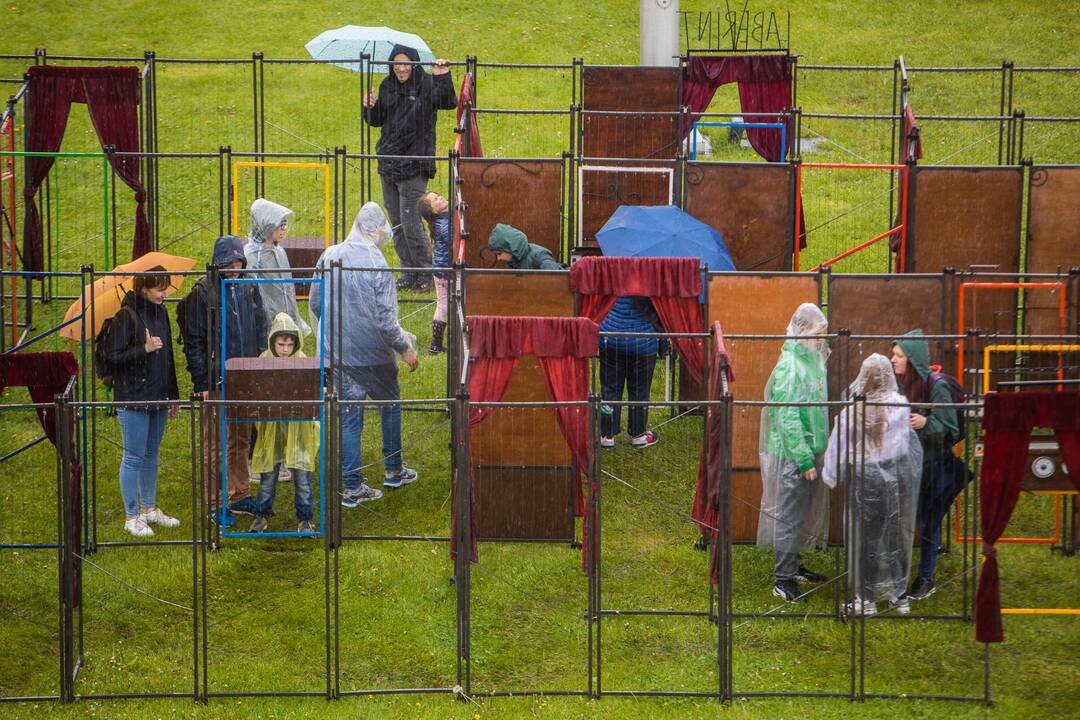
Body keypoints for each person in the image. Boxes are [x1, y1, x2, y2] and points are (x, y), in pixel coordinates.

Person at [310, 202, 420, 507]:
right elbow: (387, 321)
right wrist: (405, 349)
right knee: (390, 406)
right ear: (373, 229)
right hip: (376, 356)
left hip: (340, 353)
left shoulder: (330, 254)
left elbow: (317, 304)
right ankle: (394, 469)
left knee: (349, 418)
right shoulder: (378, 263)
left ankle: (352, 486)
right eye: (383, 228)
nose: (385, 234)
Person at [823, 354, 922, 616]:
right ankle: (899, 597)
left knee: (864, 540)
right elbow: (905, 445)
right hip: (895, 477)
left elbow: (837, 448)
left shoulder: (852, 412)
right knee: (895, 535)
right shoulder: (900, 404)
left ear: (862, 378)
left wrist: (830, 475)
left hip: (865, 480)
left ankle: (865, 600)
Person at [181, 235, 268, 528]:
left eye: (238, 262)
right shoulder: (203, 294)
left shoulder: (248, 286)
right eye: (228, 263)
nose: (234, 268)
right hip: (216, 380)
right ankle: (214, 502)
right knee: (214, 444)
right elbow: (194, 342)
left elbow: (260, 326)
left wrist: (256, 366)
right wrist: (202, 382)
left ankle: (240, 493)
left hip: (245, 376)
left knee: (241, 438)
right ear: (217, 263)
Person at [362, 45, 456, 293]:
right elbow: (378, 120)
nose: (401, 68)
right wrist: (370, 107)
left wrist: (443, 76)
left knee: (411, 219)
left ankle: (426, 273)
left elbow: (447, 102)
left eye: (406, 64)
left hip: (415, 162)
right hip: (388, 161)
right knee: (395, 221)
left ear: (415, 64)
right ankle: (408, 271)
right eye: (396, 63)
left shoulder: (426, 83)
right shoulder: (387, 85)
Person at [758, 302, 831, 602]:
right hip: (791, 456)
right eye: (816, 334)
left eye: (823, 335)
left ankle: (794, 564)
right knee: (789, 517)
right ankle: (783, 579)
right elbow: (787, 417)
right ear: (800, 331)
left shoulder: (811, 360)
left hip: (809, 451)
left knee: (800, 514)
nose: (820, 341)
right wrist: (802, 459)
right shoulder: (790, 367)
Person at [103, 268, 181, 537]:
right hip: (133, 397)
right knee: (134, 456)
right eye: (159, 289)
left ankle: (149, 509)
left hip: (158, 395)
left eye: (166, 287)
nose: (164, 294)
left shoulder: (161, 312)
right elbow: (111, 356)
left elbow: (168, 356)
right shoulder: (126, 316)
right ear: (144, 288)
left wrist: (173, 396)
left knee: (151, 454)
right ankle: (131, 516)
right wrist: (143, 349)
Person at [891, 329, 963, 602]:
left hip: (932, 463)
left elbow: (951, 429)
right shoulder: (902, 384)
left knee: (929, 521)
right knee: (908, 518)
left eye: (898, 355)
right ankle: (900, 573)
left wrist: (926, 423)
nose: (893, 359)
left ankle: (926, 577)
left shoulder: (937, 386)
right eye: (894, 354)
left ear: (911, 359)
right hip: (907, 463)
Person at [249, 313, 320, 534]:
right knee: (268, 476)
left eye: (290, 344)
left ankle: (305, 518)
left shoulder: (303, 361)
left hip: (298, 430)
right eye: (281, 344)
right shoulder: (264, 361)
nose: (286, 349)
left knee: (302, 477)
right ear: (272, 342)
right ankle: (261, 515)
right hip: (272, 429)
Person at [598, 296, 661, 449]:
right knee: (640, 390)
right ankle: (638, 435)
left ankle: (607, 436)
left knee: (610, 389)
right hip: (643, 342)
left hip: (611, 337)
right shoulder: (652, 274)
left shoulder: (613, 272)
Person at [243, 197, 310, 337]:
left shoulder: (278, 251)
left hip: (285, 320)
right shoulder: (253, 255)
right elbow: (254, 294)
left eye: (285, 224)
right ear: (267, 225)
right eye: (281, 225)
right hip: (265, 323)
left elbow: (288, 289)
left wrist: (294, 318)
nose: (284, 229)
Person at [417, 191, 451, 354]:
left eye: (437, 195)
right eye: (435, 199)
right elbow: (454, 237)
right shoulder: (443, 225)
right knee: (447, 304)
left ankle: (435, 345)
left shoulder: (443, 220)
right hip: (447, 271)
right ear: (433, 212)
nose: (440, 197)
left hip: (440, 270)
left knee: (443, 305)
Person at [486, 223, 563, 270]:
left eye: (499, 254)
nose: (498, 258)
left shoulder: (543, 262)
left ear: (510, 248)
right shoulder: (513, 262)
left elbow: (558, 287)